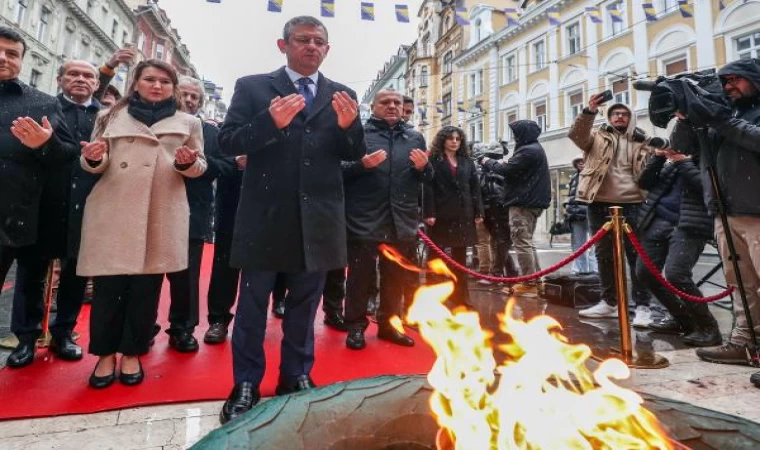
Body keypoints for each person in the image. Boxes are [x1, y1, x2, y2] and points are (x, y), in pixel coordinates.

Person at [217, 16, 365, 423]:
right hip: (265, 217)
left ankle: (296, 375)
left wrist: (351, 127)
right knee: (252, 307)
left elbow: (352, 151)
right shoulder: (253, 87)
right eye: (303, 40)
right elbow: (228, 140)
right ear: (283, 45)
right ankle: (245, 382)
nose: (311, 47)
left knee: (305, 306)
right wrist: (270, 123)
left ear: (327, 49)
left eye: (319, 41)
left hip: (317, 219)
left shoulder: (342, 94)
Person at [78, 59, 207, 389]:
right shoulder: (109, 117)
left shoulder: (189, 122)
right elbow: (96, 162)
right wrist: (93, 156)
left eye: (165, 81)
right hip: (115, 208)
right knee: (108, 289)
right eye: (150, 79)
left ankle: (133, 352)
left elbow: (199, 166)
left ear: (173, 88)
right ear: (136, 82)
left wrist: (188, 163)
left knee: (145, 291)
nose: (157, 85)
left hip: (159, 212)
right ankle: (105, 355)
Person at [670, 59, 760, 379]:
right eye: (724, 81)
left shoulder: (740, 115)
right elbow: (681, 147)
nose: (727, 86)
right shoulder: (723, 113)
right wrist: (685, 115)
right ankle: (744, 343)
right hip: (725, 211)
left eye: (736, 80)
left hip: (756, 212)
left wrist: (720, 119)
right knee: (740, 285)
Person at [0, 27, 78, 368]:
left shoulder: (41, 102)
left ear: (20, 61)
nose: (4, 58)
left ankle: (26, 340)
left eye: (12, 53)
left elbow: (66, 154)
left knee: (29, 282)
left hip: (21, 212)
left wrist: (44, 143)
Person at [342, 89, 431, 350]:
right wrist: (361, 166)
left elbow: (428, 179)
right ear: (374, 106)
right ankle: (356, 327)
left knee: (395, 279)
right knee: (360, 277)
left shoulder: (414, 136)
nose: (392, 106)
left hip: (400, 220)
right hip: (364, 219)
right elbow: (338, 171)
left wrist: (423, 168)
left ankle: (389, 326)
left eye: (397, 102)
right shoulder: (358, 134)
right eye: (386, 102)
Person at [159, 76, 233, 352]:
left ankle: (182, 328)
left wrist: (199, 163)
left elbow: (227, 166)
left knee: (186, 277)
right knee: (148, 276)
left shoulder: (210, 132)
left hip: (193, 211)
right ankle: (142, 328)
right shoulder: (156, 126)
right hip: (153, 209)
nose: (189, 101)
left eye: (195, 98)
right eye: (184, 94)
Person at [569, 95, 653, 325]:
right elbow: (577, 136)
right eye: (615, 114)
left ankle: (643, 306)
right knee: (604, 255)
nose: (619, 117)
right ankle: (610, 302)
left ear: (631, 118)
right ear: (609, 116)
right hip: (599, 203)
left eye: (624, 114)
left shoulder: (643, 139)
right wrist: (589, 111)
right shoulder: (596, 135)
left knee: (636, 256)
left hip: (633, 203)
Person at [635, 140, 720, 344]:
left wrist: (684, 162)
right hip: (658, 220)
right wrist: (658, 156)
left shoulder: (710, 155)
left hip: (690, 224)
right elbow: (645, 183)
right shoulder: (673, 162)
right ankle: (682, 320)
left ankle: (709, 328)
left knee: (677, 274)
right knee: (645, 273)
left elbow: (707, 188)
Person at [480, 121, 551, 298]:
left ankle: (528, 283)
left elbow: (507, 170)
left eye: (516, 133)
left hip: (523, 203)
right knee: (526, 241)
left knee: (522, 242)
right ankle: (535, 279)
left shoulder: (528, 150)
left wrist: (487, 161)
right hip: (531, 202)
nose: (514, 137)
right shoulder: (533, 149)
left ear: (523, 134)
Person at [424, 126, 483, 308]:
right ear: (443, 140)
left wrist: (479, 211)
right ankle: (433, 297)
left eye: (458, 139)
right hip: (440, 214)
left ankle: (461, 297)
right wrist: (429, 212)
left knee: (460, 259)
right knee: (436, 256)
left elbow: (475, 188)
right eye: (450, 138)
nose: (454, 142)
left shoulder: (467, 161)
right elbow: (427, 188)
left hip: (463, 214)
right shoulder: (433, 160)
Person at [477, 142, 518, 285]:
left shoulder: (500, 168)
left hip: (498, 208)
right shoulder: (487, 170)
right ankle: (510, 273)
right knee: (499, 241)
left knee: (501, 241)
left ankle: (497, 274)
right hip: (492, 208)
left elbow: (495, 190)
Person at [564, 154, 598, 275]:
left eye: (583, 161)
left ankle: (595, 270)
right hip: (576, 216)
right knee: (578, 245)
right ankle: (580, 270)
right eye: (578, 161)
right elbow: (571, 195)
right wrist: (567, 206)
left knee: (595, 243)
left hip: (591, 213)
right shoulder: (574, 177)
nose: (580, 163)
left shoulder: (594, 176)